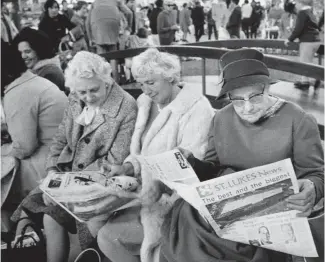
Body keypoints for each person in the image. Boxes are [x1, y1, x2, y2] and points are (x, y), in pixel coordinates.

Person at [159, 48, 324, 262]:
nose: (247, 107)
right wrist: (189, 162)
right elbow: (213, 166)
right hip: (223, 211)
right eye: (237, 100)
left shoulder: (298, 120)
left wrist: (311, 187)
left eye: (255, 97)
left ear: (267, 88)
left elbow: (317, 175)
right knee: (183, 221)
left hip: (268, 219)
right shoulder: (221, 119)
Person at [12, 51, 138, 262]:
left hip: (101, 183)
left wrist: (63, 190)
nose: (88, 97)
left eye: (94, 90)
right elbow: (60, 139)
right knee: (30, 216)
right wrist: (52, 174)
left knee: (51, 216)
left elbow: (114, 161)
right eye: (82, 92)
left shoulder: (126, 106)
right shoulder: (74, 97)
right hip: (67, 175)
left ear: (107, 81)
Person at [95, 48, 215, 262]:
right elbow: (142, 155)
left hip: (176, 202)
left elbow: (192, 166)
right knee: (94, 216)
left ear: (170, 77)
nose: (145, 90)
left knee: (107, 236)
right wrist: (126, 168)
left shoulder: (196, 109)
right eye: (140, 83)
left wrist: (159, 186)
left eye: (151, 82)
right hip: (144, 191)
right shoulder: (145, 103)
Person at [1, 42, 67, 207]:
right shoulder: (30, 81)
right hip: (61, 156)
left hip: (49, 166)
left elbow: (24, 148)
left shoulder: (18, 92)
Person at [86, 0, 132, 81]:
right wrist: (129, 27)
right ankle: (115, 81)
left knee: (101, 59)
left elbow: (87, 22)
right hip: (112, 28)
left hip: (97, 29)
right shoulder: (116, 1)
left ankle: (103, 81)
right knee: (113, 57)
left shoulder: (95, 2)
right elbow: (129, 13)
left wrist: (90, 38)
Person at [284, 0, 321, 91]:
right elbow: (314, 26)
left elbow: (298, 29)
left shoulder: (302, 13)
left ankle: (311, 80)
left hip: (307, 42)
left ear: (301, 2)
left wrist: (289, 39)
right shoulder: (311, 12)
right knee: (308, 62)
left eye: (296, 3)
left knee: (304, 63)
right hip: (316, 41)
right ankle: (306, 81)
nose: (296, 6)